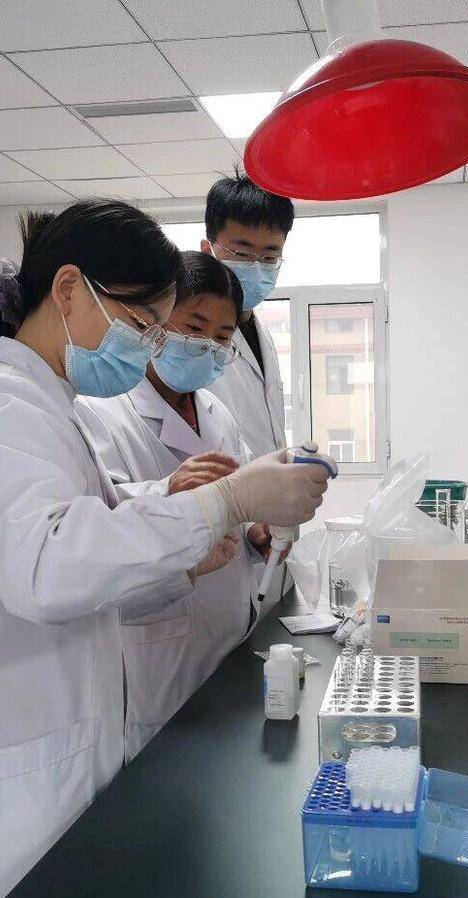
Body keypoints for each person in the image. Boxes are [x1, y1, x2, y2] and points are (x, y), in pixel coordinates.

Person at [0, 200, 330, 898]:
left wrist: (193, 534)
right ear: (68, 290)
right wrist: (226, 501)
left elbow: (96, 537)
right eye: (141, 323)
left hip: (47, 766)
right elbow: (46, 566)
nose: (147, 345)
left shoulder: (46, 410)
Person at [76, 251, 272, 759]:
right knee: (168, 777)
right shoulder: (101, 412)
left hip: (229, 635)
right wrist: (167, 490)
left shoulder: (217, 411)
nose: (207, 346)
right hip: (160, 648)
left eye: (223, 337)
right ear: (157, 322)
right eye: (194, 326)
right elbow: (96, 524)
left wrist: (256, 533)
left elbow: (237, 501)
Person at [201, 170, 292, 460]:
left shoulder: (261, 334)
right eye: (242, 254)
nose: (256, 266)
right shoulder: (189, 336)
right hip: (222, 483)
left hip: (268, 483)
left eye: (269, 257)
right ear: (208, 250)